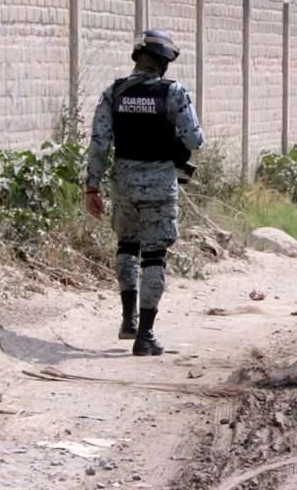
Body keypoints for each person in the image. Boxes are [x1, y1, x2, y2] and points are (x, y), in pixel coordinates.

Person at [84, 29, 205, 356]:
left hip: (122, 183)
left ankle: (129, 319)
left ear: (137, 58)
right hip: (160, 187)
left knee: (126, 246)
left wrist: (91, 187)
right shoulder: (174, 93)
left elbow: (98, 146)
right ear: (164, 63)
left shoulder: (114, 93)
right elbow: (195, 140)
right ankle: (146, 335)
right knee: (154, 256)